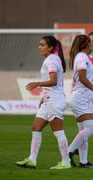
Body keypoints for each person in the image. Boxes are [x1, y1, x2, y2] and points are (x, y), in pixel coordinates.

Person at [16, 35, 71, 169]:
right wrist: (43, 96)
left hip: (54, 100)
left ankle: (66, 162)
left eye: (42, 45)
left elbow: (54, 81)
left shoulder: (51, 60)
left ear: (51, 47)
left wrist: (37, 84)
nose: (39, 47)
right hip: (49, 99)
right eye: (39, 44)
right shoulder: (51, 59)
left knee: (58, 131)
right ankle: (32, 160)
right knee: (36, 128)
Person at [68, 34, 93, 168]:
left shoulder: (82, 57)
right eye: (90, 42)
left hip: (81, 97)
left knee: (84, 132)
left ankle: (83, 161)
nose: (92, 45)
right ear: (86, 45)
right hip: (81, 98)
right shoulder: (82, 57)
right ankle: (68, 152)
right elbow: (82, 77)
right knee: (91, 129)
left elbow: (83, 76)